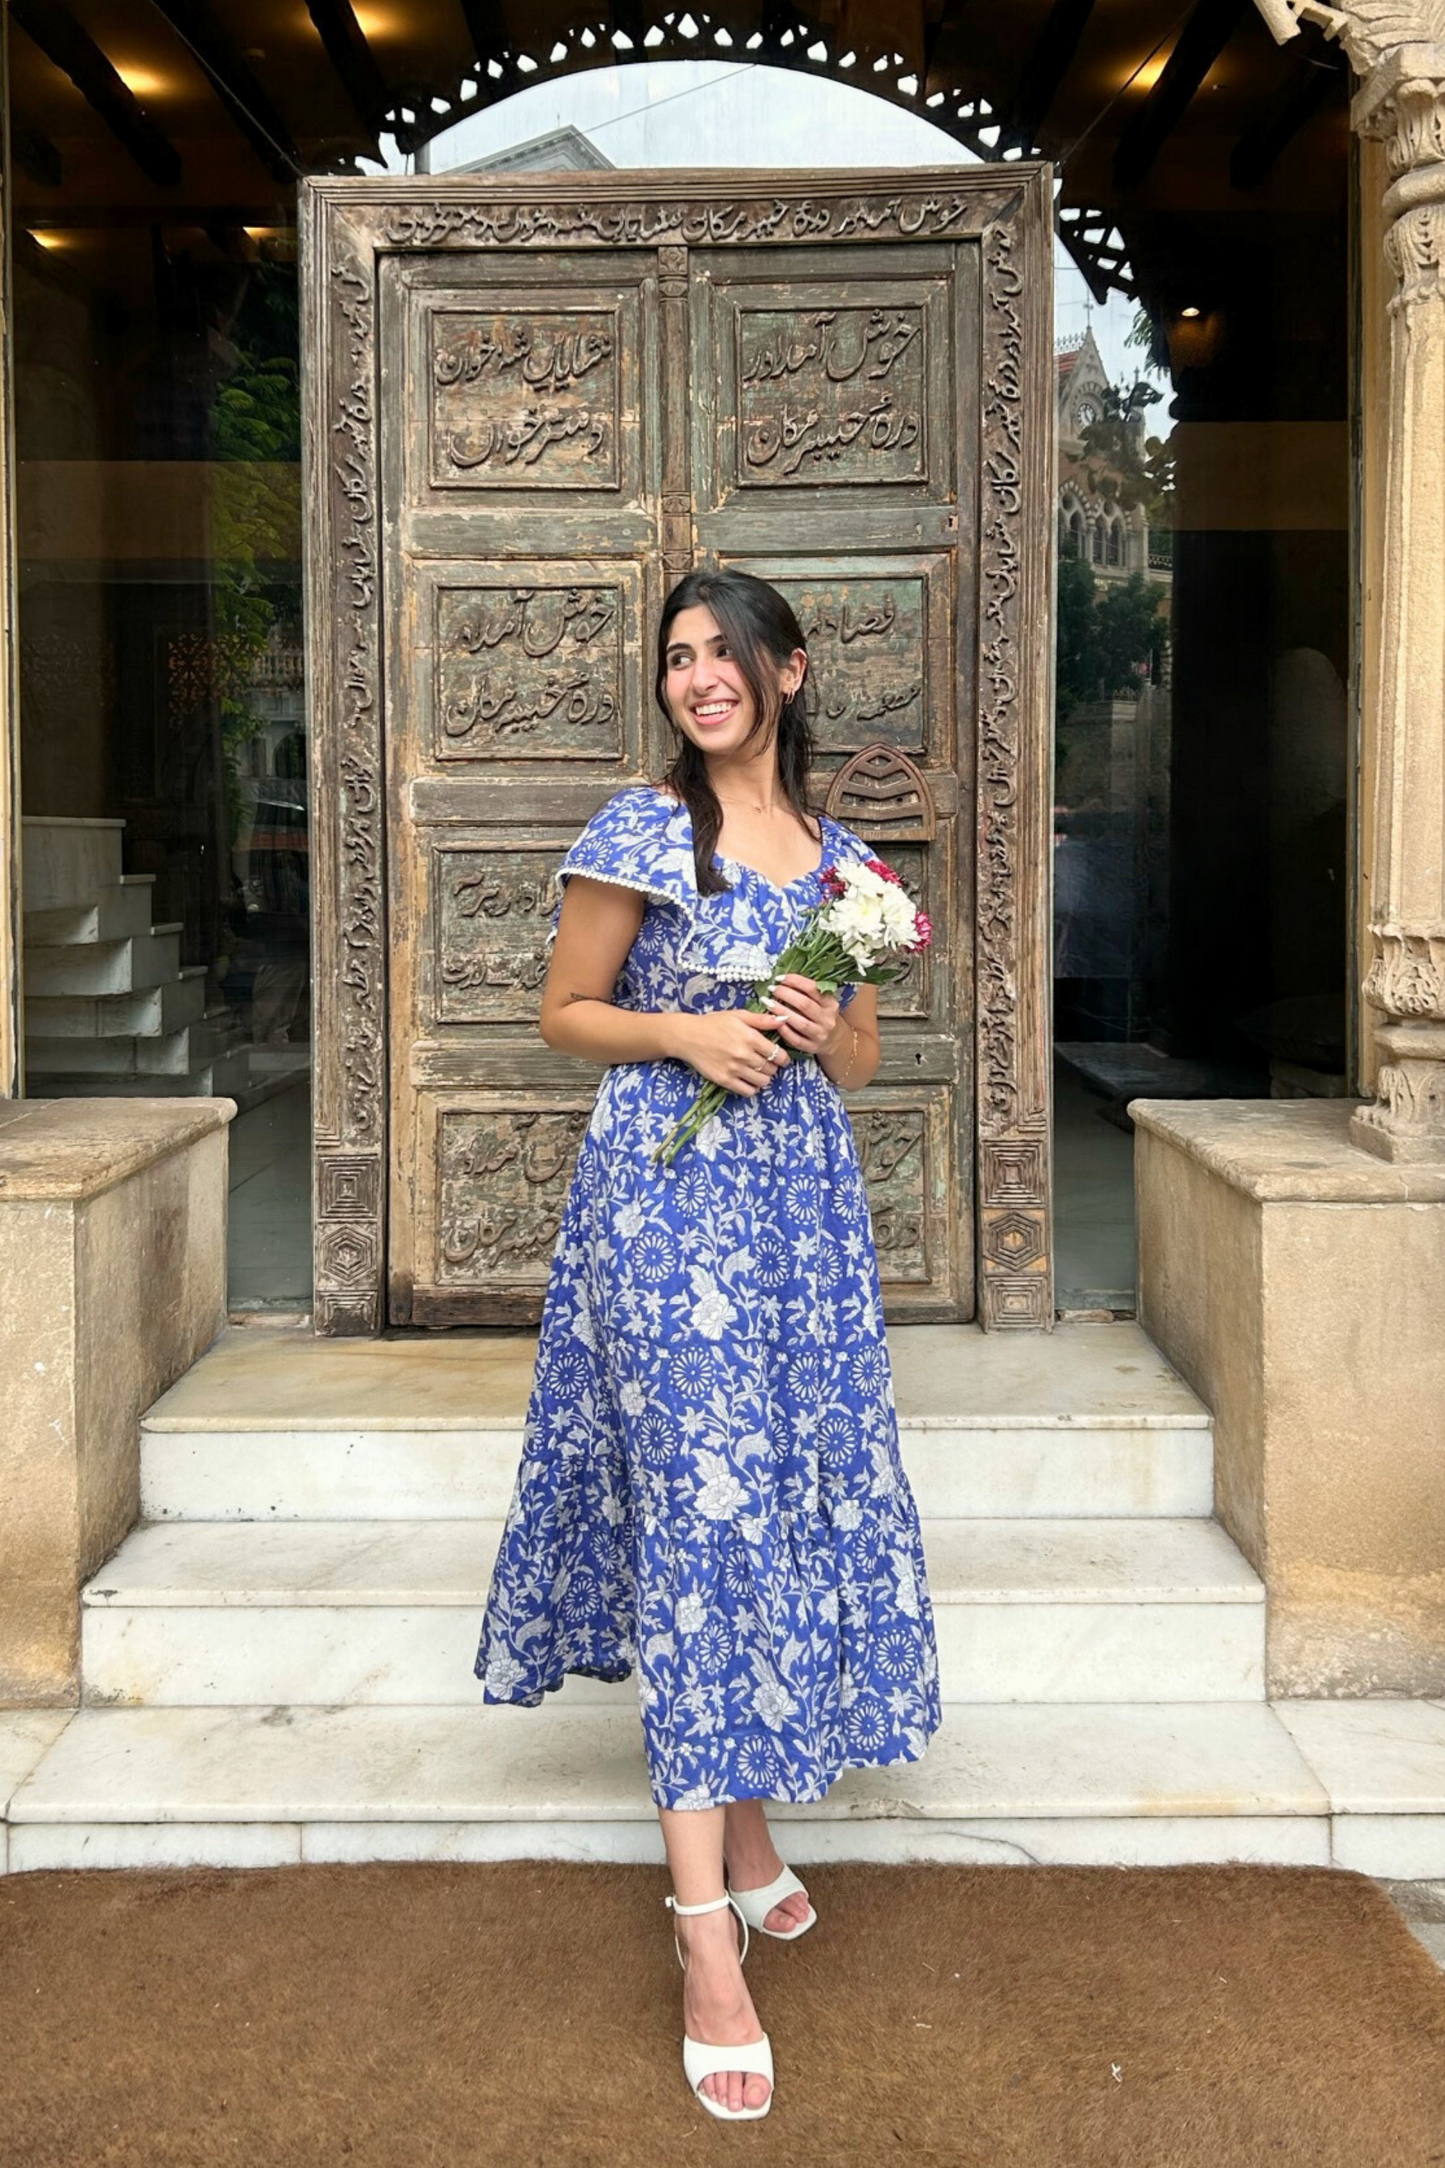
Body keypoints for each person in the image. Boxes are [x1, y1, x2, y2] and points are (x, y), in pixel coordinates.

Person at [475, 567, 941, 2121]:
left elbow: (864, 1063)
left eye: (724, 653)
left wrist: (824, 1021)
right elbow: (564, 1011)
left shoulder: (844, 870)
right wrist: (687, 1029)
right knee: (698, 1524)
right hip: (663, 1219)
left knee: (771, 1514)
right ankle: (702, 1941)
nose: (699, 677)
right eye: (678, 658)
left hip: (797, 1227)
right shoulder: (638, 830)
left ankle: (746, 1843)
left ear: (787, 672)